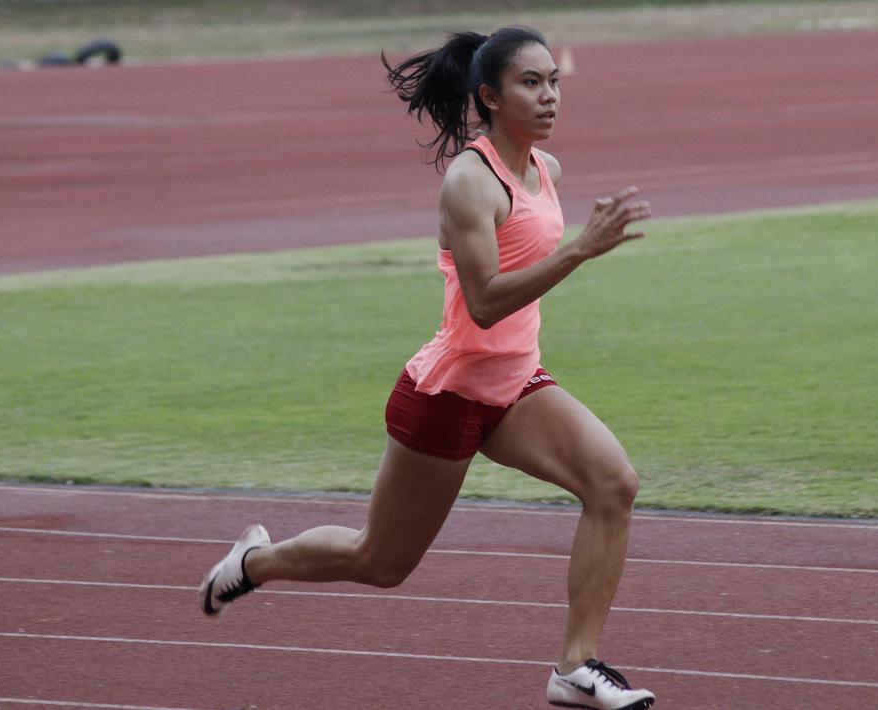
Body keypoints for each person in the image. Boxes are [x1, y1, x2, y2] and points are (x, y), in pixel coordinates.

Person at [199, 26, 655, 710]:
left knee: (613, 484)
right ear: (488, 97)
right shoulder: (469, 181)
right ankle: (253, 562)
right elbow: (484, 301)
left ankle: (574, 667)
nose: (548, 95)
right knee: (378, 562)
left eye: (552, 81)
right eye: (530, 83)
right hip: (447, 393)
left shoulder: (544, 170)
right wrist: (579, 251)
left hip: (516, 385)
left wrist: (575, 252)